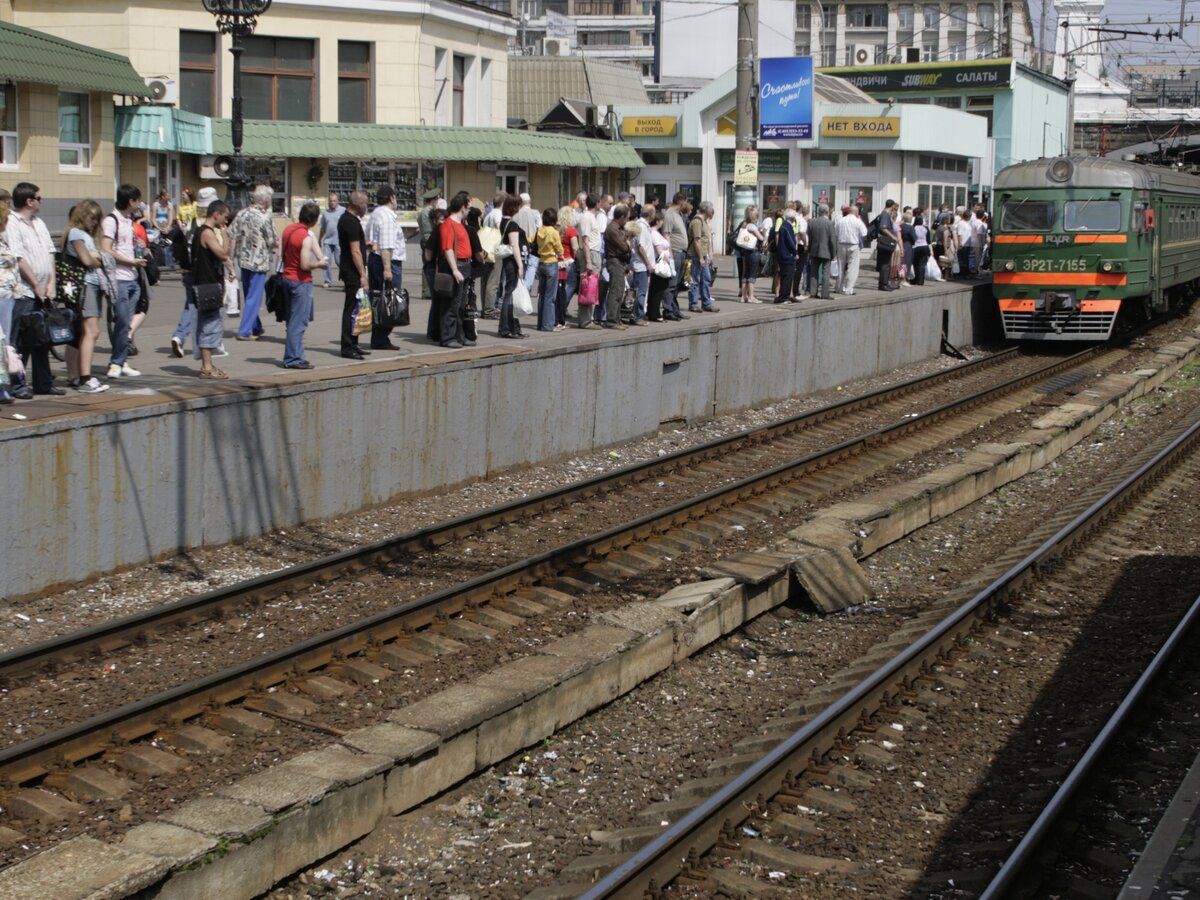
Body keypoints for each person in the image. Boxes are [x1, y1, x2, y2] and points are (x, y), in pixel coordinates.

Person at [63, 201, 110, 393]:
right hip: (86, 284)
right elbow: (87, 260)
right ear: (82, 215)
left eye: (97, 219)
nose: (94, 222)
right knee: (92, 331)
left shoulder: (84, 234)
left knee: (80, 333)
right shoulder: (76, 233)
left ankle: (75, 375)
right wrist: (97, 259)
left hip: (91, 284)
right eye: (92, 218)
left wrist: (97, 257)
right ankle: (85, 377)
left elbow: (98, 257)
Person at [99, 183, 146, 377]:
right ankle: (116, 363)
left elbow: (126, 244)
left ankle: (122, 360)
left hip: (133, 277)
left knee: (127, 323)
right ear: (131, 201)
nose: (141, 204)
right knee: (122, 320)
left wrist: (139, 246)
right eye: (138, 200)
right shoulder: (111, 220)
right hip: (119, 277)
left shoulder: (128, 219)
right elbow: (106, 249)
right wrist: (130, 261)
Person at [279, 201, 328, 369]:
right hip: (300, 282)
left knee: (291, 321)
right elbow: (305, 265)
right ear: (314, 220)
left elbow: (280, 254)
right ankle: (293, 359)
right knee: (298, 323)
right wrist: (319, 265)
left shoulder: (288, 230)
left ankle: (297, 355)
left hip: (286, 278)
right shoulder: (305, 238)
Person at [228, 184, 278, 340]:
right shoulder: (264, 217)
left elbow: (231, 234)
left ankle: (255, 326)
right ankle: (244, 331)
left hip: (243, 259)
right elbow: (272, 241)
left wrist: (230, 259)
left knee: (249, 294)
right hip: (258, 261)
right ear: (265, 200)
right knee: (254, 297)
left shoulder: (242, 213)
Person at [192, 199, 232, 379]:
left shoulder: (203, 232)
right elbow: (223, 254)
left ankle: (208, 365)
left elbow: (223, 254)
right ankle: (207, 367)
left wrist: (224, 237)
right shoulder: (207, 233)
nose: (225, 221)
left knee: (209, 323)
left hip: (207, 284)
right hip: (207, 284)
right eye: (224, 217)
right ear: (216, 214)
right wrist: (224, 236)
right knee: (209, 325)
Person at [366, 185, 405, 350]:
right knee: (390, 301)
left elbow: (370, 241)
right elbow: (387, 246)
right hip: (387, 262)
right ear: (391, 198)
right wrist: (387, 269)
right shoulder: (387, 217)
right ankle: (381, 338)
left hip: (375, 259)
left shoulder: (375, 214)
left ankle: (378, 337)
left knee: (378, 300)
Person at [436, 191, 472, 349]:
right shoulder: (448, 224)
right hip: (457, 266)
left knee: (460, 304)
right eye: (468, 207)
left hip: (465, 266)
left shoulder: (460, 224)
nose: (469, 210)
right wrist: (455, 269)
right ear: (463, 207)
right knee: (451, 304)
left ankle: (459, 336)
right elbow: (448, 248)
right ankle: (447, 337)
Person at [336, 191, 370, 359]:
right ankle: (347, 346)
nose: (366, 208)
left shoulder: (348, 220)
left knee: (357, 309)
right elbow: (355, 251)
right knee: (351, 309)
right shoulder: (350, 222)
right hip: (352, 272)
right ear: (357, 206)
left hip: (351, 270)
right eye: (365, 204)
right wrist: (363, 275)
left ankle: (354, 343)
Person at [497, 194, 525, 339]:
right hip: (512, 262)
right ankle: (506, 328)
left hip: (507, 261)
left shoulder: (502, 221)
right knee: (509, 294)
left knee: (510, 294)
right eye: (519, 205)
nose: (520, 208)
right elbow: (514, 246)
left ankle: (513, 327)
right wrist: (520, 265)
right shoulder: (512, 225)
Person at [533, 207, 563, 332]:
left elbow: (530, 240)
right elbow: (560, 250)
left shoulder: (539, 230)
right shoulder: (554, 232)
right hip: (551, 263)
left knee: (542, 295)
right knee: (550, 297)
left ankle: (541, 323)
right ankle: (548, 325)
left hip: (541, 263)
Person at [661, 193, 689, 320]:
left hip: (681, 252)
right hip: (675, 252)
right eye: (686, 202)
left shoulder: (678, 214)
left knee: (677, 284)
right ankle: (668, 310)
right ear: (681, 202)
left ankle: (674, 309)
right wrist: (670, 254)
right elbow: (667, 234)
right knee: (671, 284)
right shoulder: (670, 214)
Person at [575, 193, 601, 329]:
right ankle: (585, 320)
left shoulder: (591, 217)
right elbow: (585, 241)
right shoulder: (586, 217)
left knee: (592, 286)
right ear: (596, 203)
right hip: (589, 253)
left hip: (594, 252)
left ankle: (588, 318)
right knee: (588, 286)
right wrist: (589, 261)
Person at [603, 204, 631, 330]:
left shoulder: (619, 228)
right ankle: (611, 320)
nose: (627, 221)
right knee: (615, 290)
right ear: (621, 217)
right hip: (614, 261)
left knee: (620, 290)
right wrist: (628, 243)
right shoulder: (612, 229)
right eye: (626, 218)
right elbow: (624, 247)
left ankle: (617, 318)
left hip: (620, 261)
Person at [687, 201, 717, 312]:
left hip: (703, 255)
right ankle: (693, 303)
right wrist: (700, 257)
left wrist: (708, 255)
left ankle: (706, 303)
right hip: (695, 255)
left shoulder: (704, 221)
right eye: (711, 209)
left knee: (706, 279)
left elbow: (706, 239)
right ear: (706, 210)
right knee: (695, 280)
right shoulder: (697, 221)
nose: (712, 211)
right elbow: (697, 240)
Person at [627, 208, 653, 325]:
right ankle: (637, 316)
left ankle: (633, 315)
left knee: (635, 292)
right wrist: (648, 264)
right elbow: (641, 247)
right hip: (640, 266)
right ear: (650, 214)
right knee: (640, 292)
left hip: (638, 265)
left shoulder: (641, 225)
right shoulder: (642, 226)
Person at [806, 205, 837, 300]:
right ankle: (825, 294)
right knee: (826, 273)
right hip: (826, 251)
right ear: (827, 212)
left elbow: (810, 237)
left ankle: (813, 292)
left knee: (814, 272)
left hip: (814, 250)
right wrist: (833, 253)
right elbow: (832, 240)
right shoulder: (829, 223)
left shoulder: (812, 222)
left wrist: (809, 249)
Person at [835, 204, 867, 295]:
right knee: (852, 268)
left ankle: (839, 287)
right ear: (856, 212)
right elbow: (864, 233)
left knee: (840, 267)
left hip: (841, 244)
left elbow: (836, 233)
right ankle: (848, 289)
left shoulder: (841, 220)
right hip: (853, 245)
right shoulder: (857, 221)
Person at [555, 205, 579, 331]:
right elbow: (575, 247)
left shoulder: (557, 229)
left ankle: (560, 307)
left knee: (560, 286)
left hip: (558, 260)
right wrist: (576, 258)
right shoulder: (571, 231)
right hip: (569, 261)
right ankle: (563, 306)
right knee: (572, 284)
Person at [647, 211, 672, 321]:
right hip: (660, 264)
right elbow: (659, 251)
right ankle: (654, 313)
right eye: (661, 221)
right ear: (657, 221)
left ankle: (653, 312)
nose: (662, 223)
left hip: (660, 263)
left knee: (657, 289)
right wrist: (668, 260)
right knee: (658, 290)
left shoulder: (655, 233)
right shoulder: (654, 234)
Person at [515, 193, 541, 293]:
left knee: (520, 268)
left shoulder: (515, 214)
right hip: (533, 245)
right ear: (529, 202)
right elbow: (540, 228)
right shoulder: (536, 213)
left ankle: (520, 291)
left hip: (519, 244)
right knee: (531, 267)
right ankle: (525, 290)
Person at [319, 192, 345, 288]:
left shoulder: (343, 211)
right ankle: (328, 281)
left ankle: (346, 280)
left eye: (334, 201)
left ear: (337, 201)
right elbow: (323, 228)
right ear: (328, 202)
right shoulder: (325, 213)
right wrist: (319, 239)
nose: (332, 203)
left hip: (339, 241)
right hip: (328, 241)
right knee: (326, 261)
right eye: (331, 201)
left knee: (339, 262)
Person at [774, 207, 798, 304]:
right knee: (788, 276)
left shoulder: (783, 226)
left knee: (784, 275)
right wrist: (795, 252)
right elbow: (791, 241)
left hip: (782, 254)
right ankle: (784, 296)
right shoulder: (787, 227)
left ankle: (782, 296)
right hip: (787, 255)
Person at [911, 215, 931, 286]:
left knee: (916, 264)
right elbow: (928, 240)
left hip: (916, 247)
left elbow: (912, 238)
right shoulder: (926, 228)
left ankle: (916, 278)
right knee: (922, 264)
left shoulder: (913, 228)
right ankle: (921, 280)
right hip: (925, 246)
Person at [953, 207, 973, 279]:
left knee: (966, 259)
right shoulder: (961, 223)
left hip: (967, 244)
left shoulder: (966, 223)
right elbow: (960, 234)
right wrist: (960, 243)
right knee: (963, 259)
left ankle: (965, 273)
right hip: (963, 244)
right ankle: (962, 273)